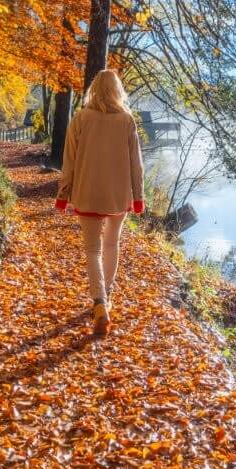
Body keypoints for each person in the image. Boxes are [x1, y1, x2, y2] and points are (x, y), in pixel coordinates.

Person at [55, 70, 145, 336]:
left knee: (92, 250)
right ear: (118, 91)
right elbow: (136, 164)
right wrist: (138, 197)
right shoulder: (127, 121)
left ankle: (100, 303)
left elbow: (68, 160)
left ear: (93, 89)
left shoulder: (81, 118)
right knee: (112, 243)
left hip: (87, 191)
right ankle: (107, 296)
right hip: (119, 194)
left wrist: (63, 194)